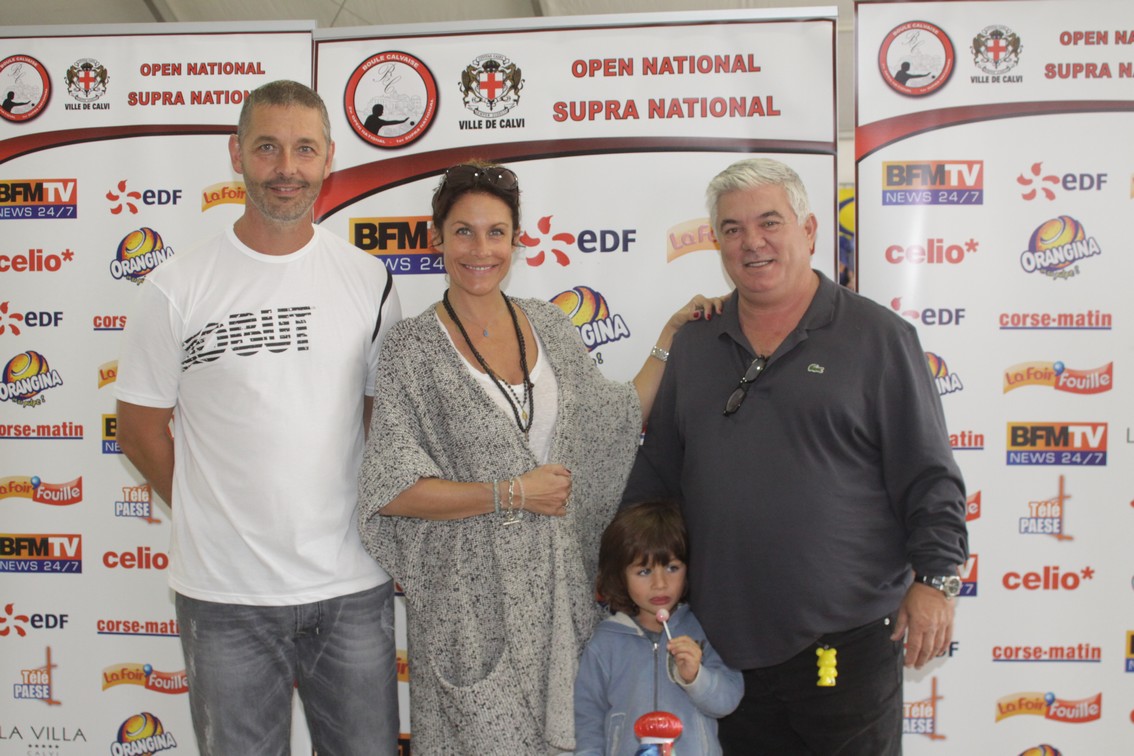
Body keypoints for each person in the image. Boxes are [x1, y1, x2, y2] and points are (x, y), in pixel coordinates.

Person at [357, 160, 722, 754]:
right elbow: (391, 488)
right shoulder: (410, 349)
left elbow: (612, 422)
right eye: (463, 231)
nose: (481, 249)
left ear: (516, 240)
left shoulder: (549, 324)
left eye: (496, 232)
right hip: (469, 615)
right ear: (436, 238)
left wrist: (668, 338)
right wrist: (513, 493)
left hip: (562, 606)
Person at [621, 158, 969, 754]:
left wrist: (936, 580)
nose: (751, 242)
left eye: (769, 222)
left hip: (847, 648)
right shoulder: (695, 344)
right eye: (732, 228)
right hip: (721, 652)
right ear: (717, 242)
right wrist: (628, 579)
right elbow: (656, 482)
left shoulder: (879, 338)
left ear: (808, 230)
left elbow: (930, 477)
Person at [115, 80, 402, 755]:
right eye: (268, 147)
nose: (286, 168)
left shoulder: (370, 281)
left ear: (329, 158)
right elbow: (138, 429)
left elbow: (379, 426)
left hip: (351, 587)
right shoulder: (175, 288)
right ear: (236, 153)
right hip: (224, 597)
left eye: (304, 149)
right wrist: (212, 511)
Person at [574, 500, 743, 756]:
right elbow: (588, 721)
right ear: (620, 576)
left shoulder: (705, 629)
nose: (660, 584)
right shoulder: (605, 643)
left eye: (672, 568)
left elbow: (727, 700)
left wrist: (696, 677)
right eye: (644, 571)